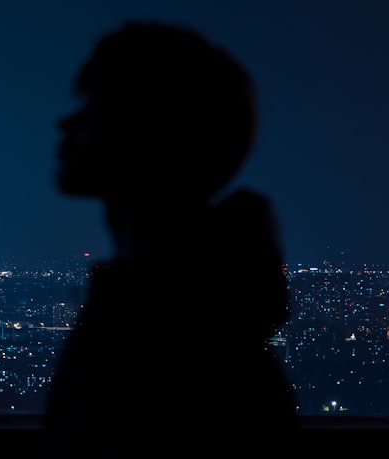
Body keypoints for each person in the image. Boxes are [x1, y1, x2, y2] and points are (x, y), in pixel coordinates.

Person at [45, 20, 298, 444]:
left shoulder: (158, 326)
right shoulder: (208, 311)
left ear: (147, 127)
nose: (66, 125)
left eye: (94, 108)